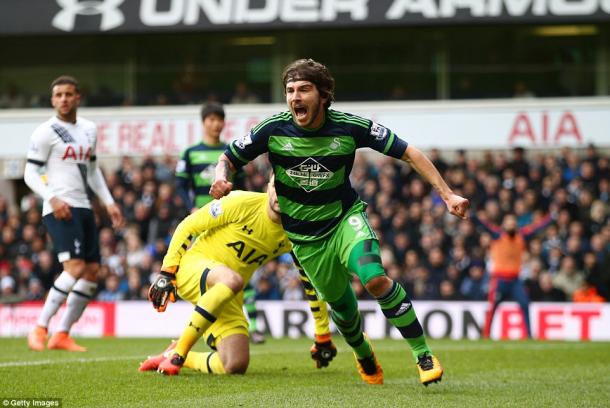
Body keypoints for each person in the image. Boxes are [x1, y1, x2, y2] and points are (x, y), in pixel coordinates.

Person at [211, 58, 470, 385]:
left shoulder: (349, 126)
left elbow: (409, 153)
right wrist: (221, 177)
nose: (295, 97)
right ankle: (363, 353)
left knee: (374, 279)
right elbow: (228, 158)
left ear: (323, 95)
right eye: (290, 90)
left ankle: (422, 353)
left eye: (304, 89)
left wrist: (447, 195)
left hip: (345, 219)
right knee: (343, 310)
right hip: (305, 239)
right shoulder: (272, 129)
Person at [139, 178, 336, 375]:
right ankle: (179, 354)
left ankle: (174, 354)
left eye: (287, 189)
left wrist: (322, 334)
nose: (279, 195)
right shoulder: (240, 202)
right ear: (268, 187)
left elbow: (310, 283)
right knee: (232, 280)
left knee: (234, 364)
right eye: (276, 187)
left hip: (227, 293)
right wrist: (167, 272)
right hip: (195, 268)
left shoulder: (296, 233)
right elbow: (189, 225)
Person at [24, 75, 124, 352]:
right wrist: (52, 198)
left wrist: (109, 201)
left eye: (69, 94)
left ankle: (62, 334)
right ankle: (40, 328)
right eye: (58, 95)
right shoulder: (45, 132)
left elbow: (92, 171)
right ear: (52, 99)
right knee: (75, 268)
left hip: (84, 207)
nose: (64, 99)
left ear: (78, 97)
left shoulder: (89, 130)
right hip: (59, 207)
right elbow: (30, 172)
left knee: (92, 272)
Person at [175, 102, 264, 343]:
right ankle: (205, 324)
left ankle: (254, 326)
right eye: (211, 119)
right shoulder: (190, 153)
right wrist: (191, 207)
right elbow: (181, 185)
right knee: (203, 272)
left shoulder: (231, 153)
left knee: (241, 269)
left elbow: (243, 188)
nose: (215, 124)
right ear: (203, 123)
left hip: (228, 222)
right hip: (202, 221)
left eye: (219, 120)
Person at [472, 212, 553, 339]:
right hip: (499, 280)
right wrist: (472, 215)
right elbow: (483, 224)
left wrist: (551, 217)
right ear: (504, 225)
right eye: (508, 222)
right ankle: (486, 335)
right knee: (492, 308)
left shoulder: (522, 236)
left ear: (516, 225)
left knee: (525, 304)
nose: (511, 224)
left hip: (515, 280)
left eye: (512, 222)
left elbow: (537, 228)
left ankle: (529, 335)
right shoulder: (497, 235)